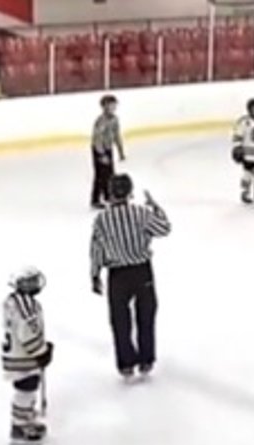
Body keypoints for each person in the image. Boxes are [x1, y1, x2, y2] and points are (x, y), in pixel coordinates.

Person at [90, 174, 171, 379]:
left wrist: (95, 274)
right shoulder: (141, 213)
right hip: (142, 270)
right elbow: (164, 229)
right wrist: (155, 207)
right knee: (146, 315)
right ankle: (146, 360)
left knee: (120, 320)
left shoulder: (102, 219)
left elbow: (96, 249)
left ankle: (126, 363)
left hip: (117, 274)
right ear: (129, 192)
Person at [2, 267, 53, 445]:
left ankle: (25, 420)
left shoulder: (13, 301)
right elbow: (27, 332)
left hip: (15, 355)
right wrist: (41, 351)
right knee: (26, 389)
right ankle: (20, 426)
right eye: (30, 281)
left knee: (27, 388)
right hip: (23, 357)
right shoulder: (26, 305)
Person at [90, 95, 125, 209]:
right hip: (99, 149)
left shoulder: (115, 119)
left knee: (110, 173)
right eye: (111, 105)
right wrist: (101, 154)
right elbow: (97, 138)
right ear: (105, 106)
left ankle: (108, 196)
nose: (114, 107)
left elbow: (116, 135)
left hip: (108, 148)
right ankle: (95, 199)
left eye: (115, 105)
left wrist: (120, 151)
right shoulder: (101, 121)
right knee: (100, 175)